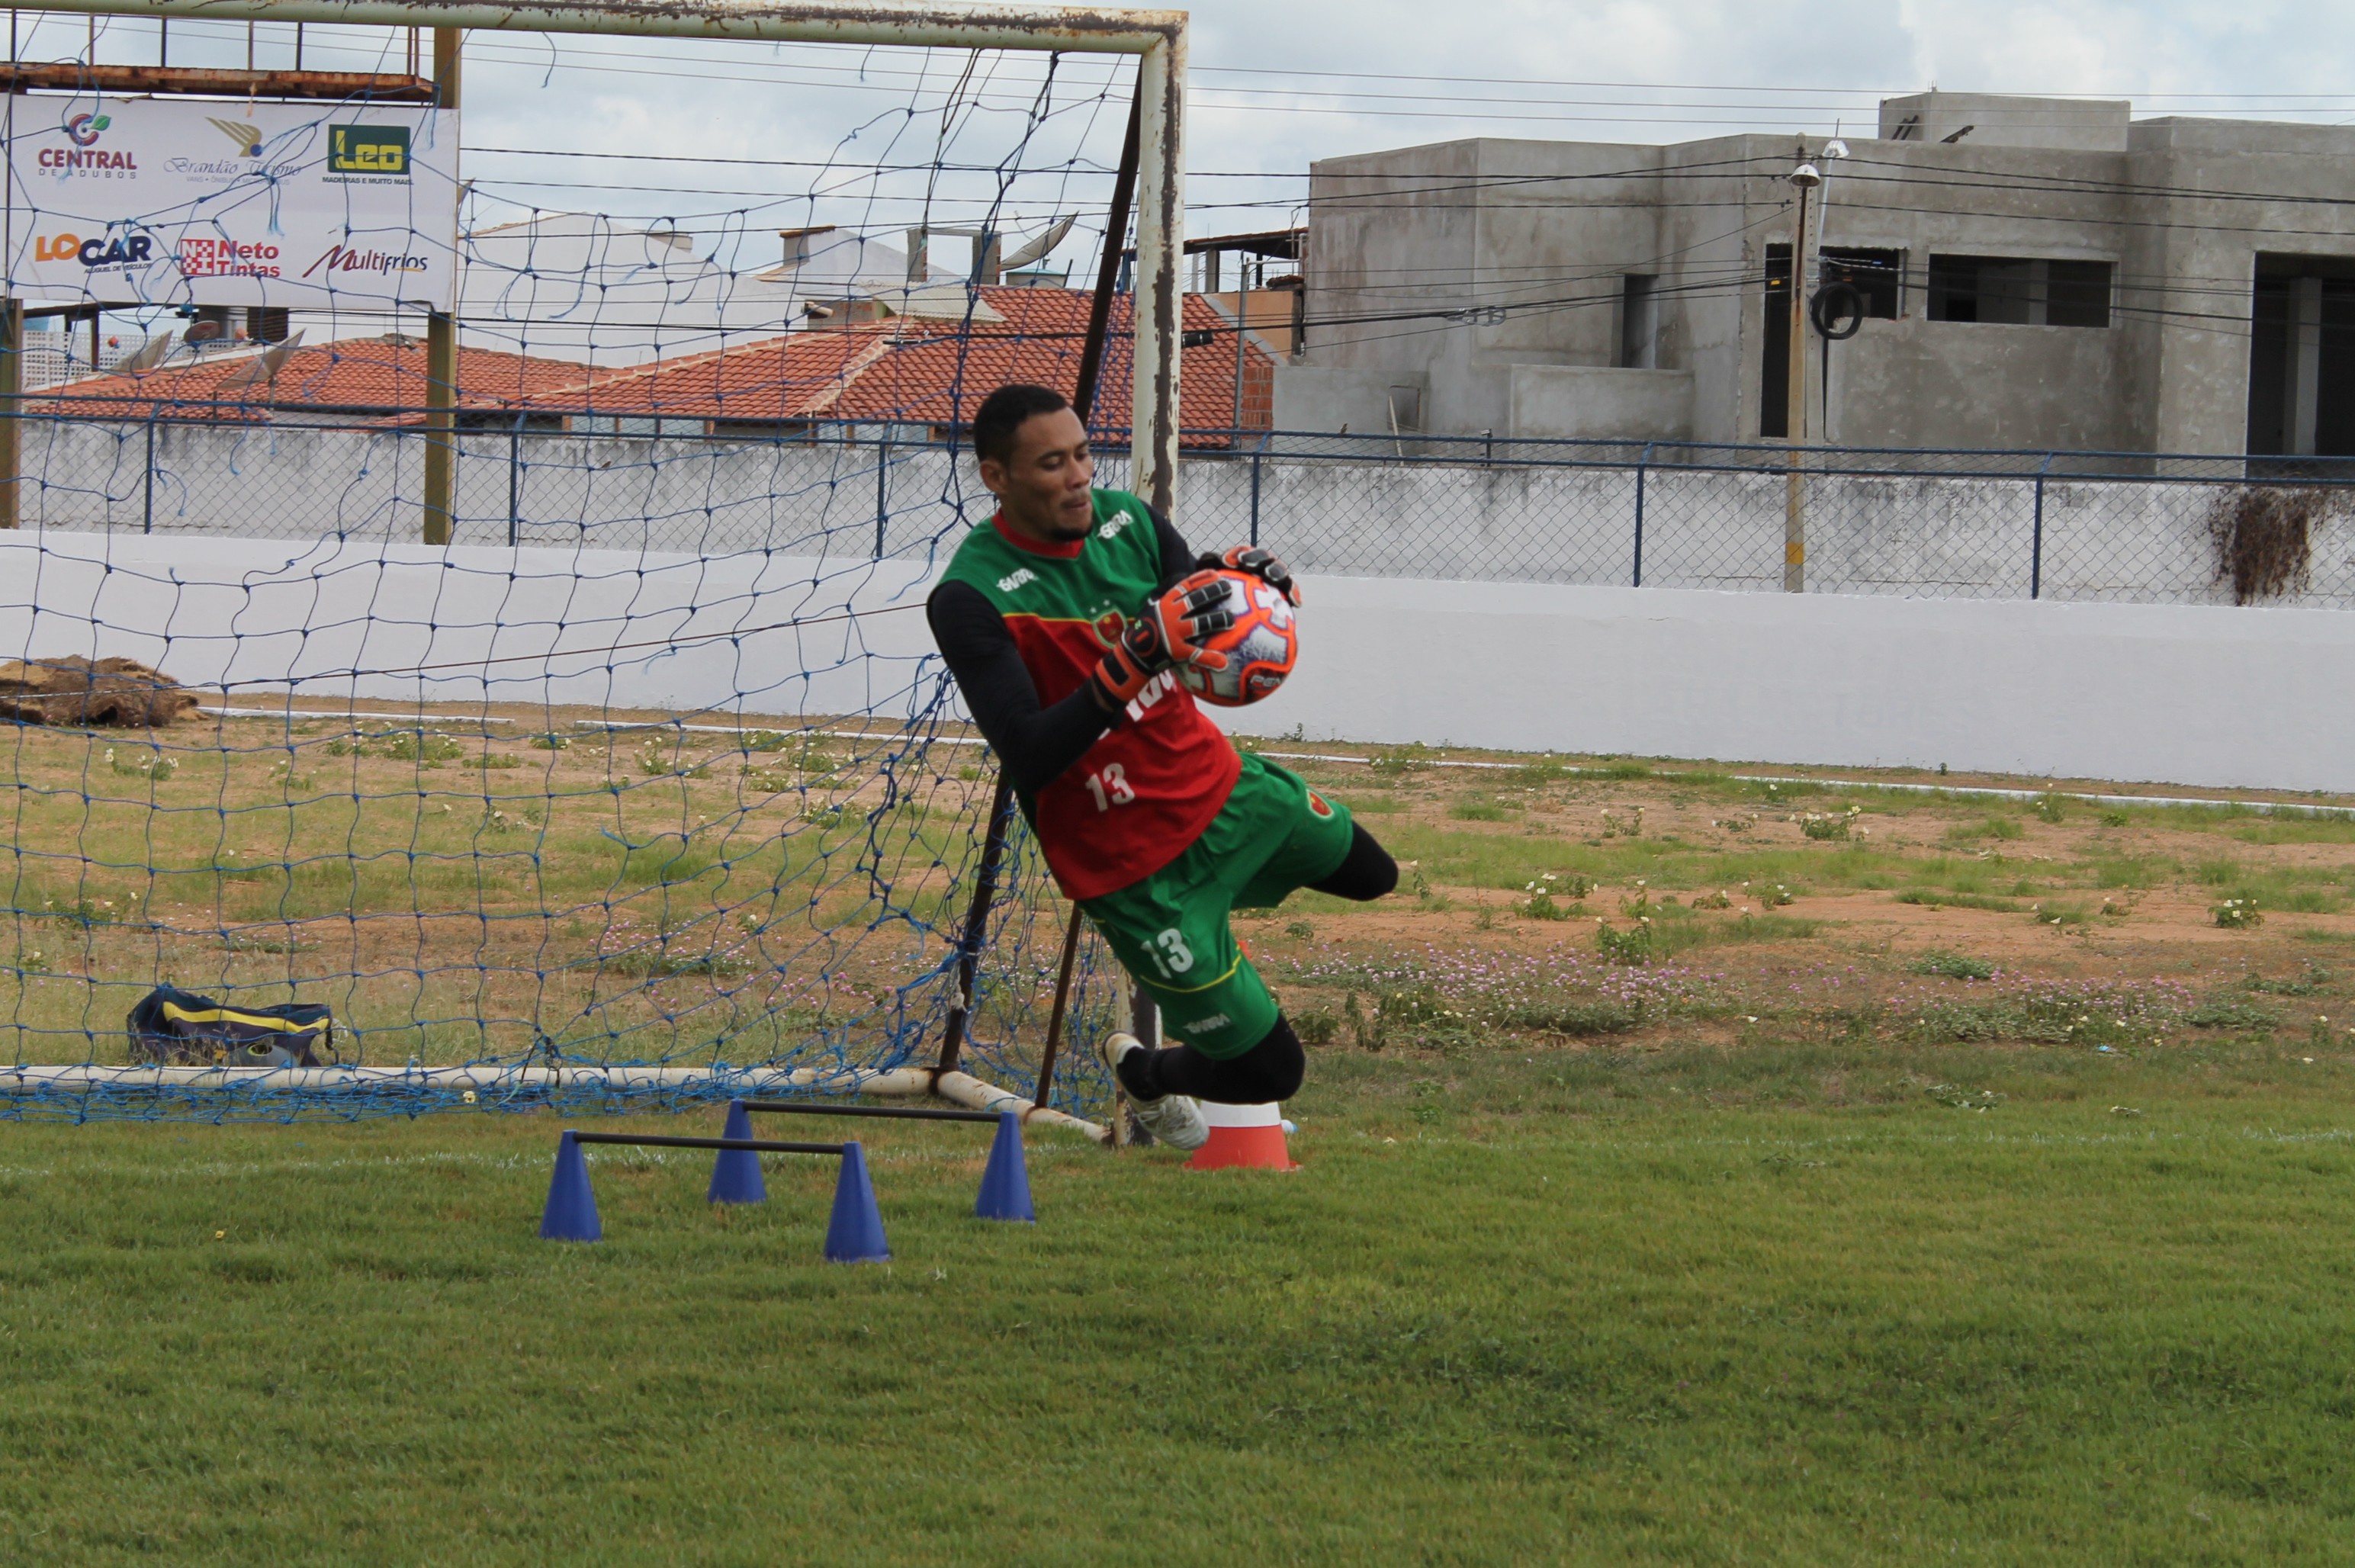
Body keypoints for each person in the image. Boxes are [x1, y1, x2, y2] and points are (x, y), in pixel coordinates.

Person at [926, 383, 1399, 1149]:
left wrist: (1239, 582)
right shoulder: (969, 595)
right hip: (1133, 869)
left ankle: (1213, 953)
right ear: (995, 478)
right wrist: (1129, 662)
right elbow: (1029, 752)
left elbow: (1185, 599)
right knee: (1271, 1073)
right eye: (1052, 463)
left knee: (1373, 874)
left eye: (1082, 453)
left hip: (1223, 792)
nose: (1079, 475)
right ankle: (1149, 1076)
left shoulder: (1128, 520)